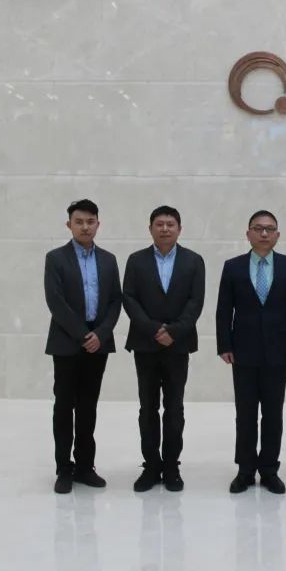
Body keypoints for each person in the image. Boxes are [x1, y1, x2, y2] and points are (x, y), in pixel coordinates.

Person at [216, 210, 286, 494]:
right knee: (245, 414)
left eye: (269, 229)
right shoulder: (233, 267)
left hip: (279, 352)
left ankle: (269, 470)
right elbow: (223, 310)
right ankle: (245, 470)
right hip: (243, 352)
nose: (264, 233)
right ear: (248, 233)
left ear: (277, 234)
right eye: (258, 228)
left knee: (273, 414)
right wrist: (224, 345)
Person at [122, 205, 205, 493]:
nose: (165, 228)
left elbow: (196, 301)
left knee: (174, 407)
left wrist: (174, 331)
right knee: (148, 407)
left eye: (171, 224)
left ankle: (171, 466)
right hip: (145, 344)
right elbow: (129, 298)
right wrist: (153, 329)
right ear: (150, 229)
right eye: (159, 224)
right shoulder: (136, 260)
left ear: (179, 229)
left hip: (178, 345)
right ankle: (151, 466)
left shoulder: (194, 261)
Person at [43, 199, 122, 494]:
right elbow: (55, 301)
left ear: (98, 225)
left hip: (98, 344)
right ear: (69, 225)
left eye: (90, 221)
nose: (85, 227)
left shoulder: (108, 260)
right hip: (67, 342)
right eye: (79, 222)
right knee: (64, 406)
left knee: (88, 407)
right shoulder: (56, 258)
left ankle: (86, 467)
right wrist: (82, 335)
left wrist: (100, 334)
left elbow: (115, 300)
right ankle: (64, 468)